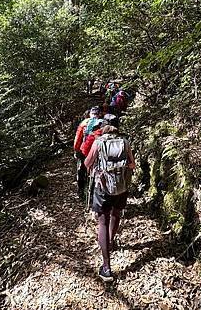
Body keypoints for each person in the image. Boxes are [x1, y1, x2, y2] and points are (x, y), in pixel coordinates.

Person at [85, 125, 135, 282]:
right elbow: (132, 165)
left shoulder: (98, 143)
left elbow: (87, 163)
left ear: (104, 131)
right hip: (122, 186)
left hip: (103, 187)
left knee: (103, 222)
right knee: (116, 213)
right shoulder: (125, 142)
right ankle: (111, 241)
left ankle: (106, 268)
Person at [73, 106, 102, 199]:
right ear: (99, 114)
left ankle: (80, 191)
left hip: (84, 150)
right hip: (99, 151)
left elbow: (78, 139)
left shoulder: (84, 123)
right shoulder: (104, 123)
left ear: (90, 114)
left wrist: (76, 150)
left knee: (81, 169)